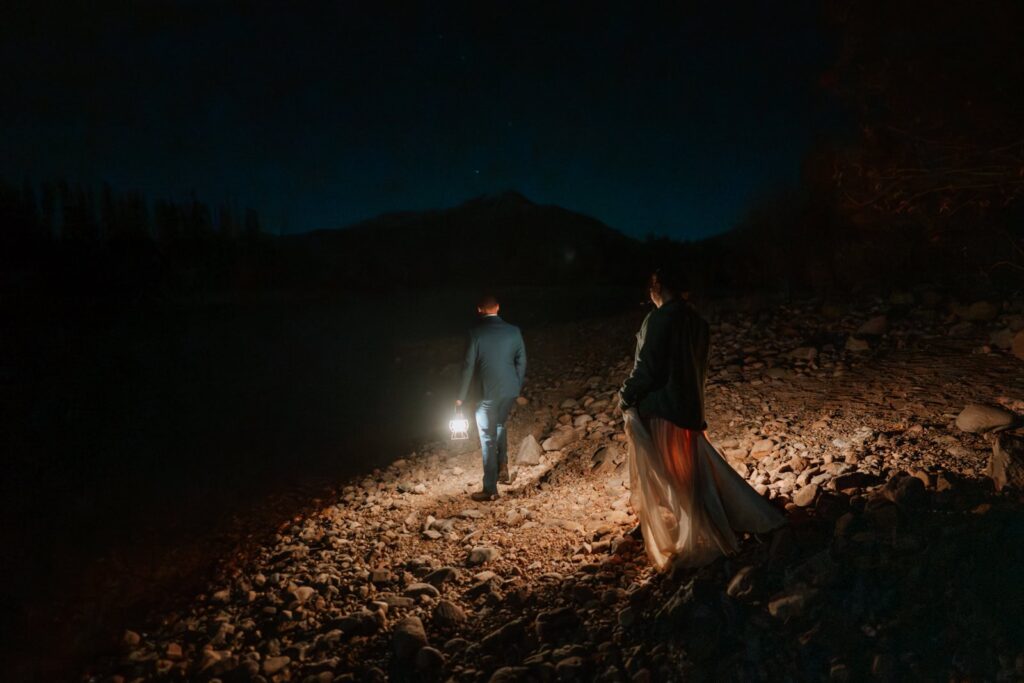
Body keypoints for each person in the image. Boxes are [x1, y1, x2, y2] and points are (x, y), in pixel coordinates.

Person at [619, 267, 784, 569]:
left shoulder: (659, 318)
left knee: (668, 474)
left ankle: (693, 531)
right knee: (690, 472)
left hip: (661, 409)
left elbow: (648, 367)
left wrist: (625, 396)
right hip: (689, 410)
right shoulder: (697, 321)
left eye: (651, 288)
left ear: (657, 285)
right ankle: (716, 519)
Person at [456, 294, 527, 502]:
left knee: (487, 437)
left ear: (479, 310)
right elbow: (521, 361)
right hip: (509, 390)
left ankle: (490, 489)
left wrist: (460, 397)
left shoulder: (475, 333)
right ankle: (502, 469)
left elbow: (468, 366)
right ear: (498, 307)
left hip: (487, 393)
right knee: (499, 425)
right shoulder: (514, 331)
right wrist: (516, 384)